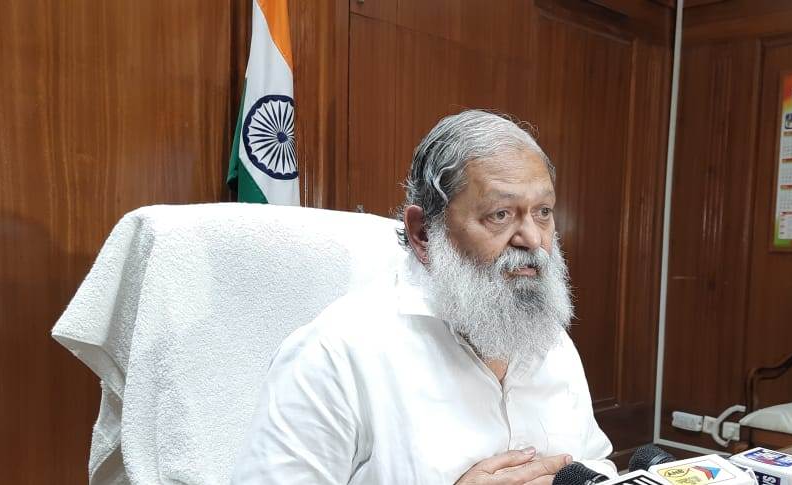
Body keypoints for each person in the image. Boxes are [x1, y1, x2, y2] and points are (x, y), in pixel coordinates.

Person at [231, 110, 617, 484]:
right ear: (423, 233)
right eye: (500, 215)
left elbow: (596, 465)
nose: (533, 239)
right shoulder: (334, 354)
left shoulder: (550, 341)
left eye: (543, 212)